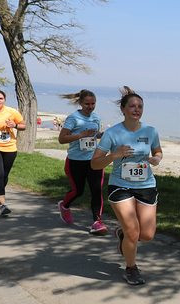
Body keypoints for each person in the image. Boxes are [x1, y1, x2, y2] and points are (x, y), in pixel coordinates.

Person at [91, 86, 162, 286]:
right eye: (132, 106)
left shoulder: (150, 131)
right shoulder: (113, 133)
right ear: (123, 109)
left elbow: (157, 151)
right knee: (133, 231)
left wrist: (156, 159)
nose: (136, 109)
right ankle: (131, 268)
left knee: (146, 235)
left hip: (146, 185)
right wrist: (115, 154)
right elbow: (95, 163)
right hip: (120, 185)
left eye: (140, 106)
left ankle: (122, 235)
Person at [57, 89, 108, 235]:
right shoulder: (73, 118)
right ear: (80, 103)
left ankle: (97, 222)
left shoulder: (96, 118)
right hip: (75, 160)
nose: (90, 107)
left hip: (94, 160)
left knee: (96, 191)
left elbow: (93, 136)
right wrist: (80, 135)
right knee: (78, 191)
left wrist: (102, 135)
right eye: (87, 104)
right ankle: (64, 205)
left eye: (93, 104)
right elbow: (62, 139)